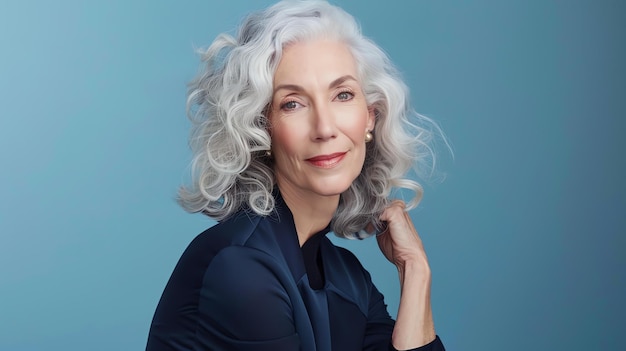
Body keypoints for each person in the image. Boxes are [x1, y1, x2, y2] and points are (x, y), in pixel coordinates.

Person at [147, 1, 446, 350]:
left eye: (342, 95)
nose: (324, 127)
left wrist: (415, 270)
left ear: (370, 117)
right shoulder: (242, 268)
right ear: (261, 128)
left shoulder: (346, 276)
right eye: (293, 103)